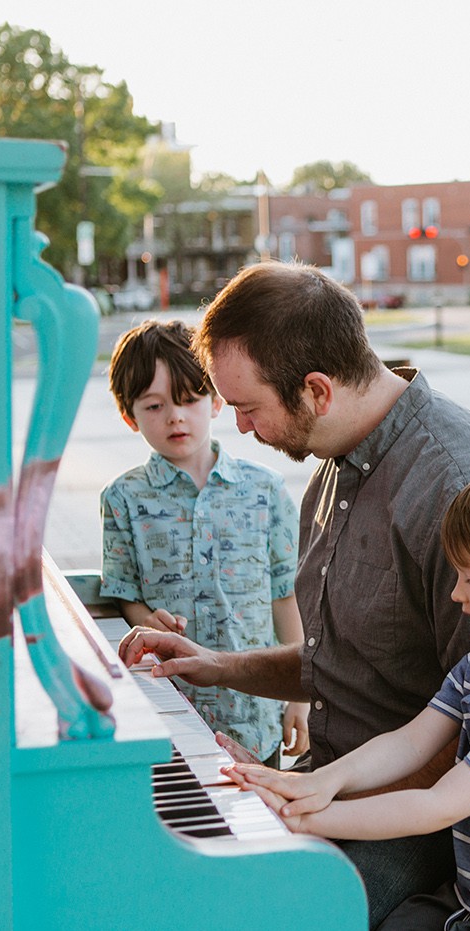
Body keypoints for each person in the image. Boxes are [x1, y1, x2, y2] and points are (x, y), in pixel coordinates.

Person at [115, 262, 470, 929]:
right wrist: (212, 663)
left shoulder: (455, 484)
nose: (240, 427)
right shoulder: (333, 465)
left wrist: (309, 804)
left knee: (247, 914)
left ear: (316, 390)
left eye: (248, 407)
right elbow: (343, 658)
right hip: (330, 788)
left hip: (423, 827)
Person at [227, 462, 470, 931]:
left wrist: (309, 821)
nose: (456, 593)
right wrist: (317, 784)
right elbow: (411, 742)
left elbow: (439, 805)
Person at [100, 319, 308, 766]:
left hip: (256, 711)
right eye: (153, 406)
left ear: (216, 400)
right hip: (173, 709)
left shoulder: (264, 489)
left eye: (189, 400)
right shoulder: (122, 498)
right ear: (128, 415)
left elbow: (285, 595)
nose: (175, 417)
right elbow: (126, 597)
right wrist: (147, 621)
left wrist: (301, 696)